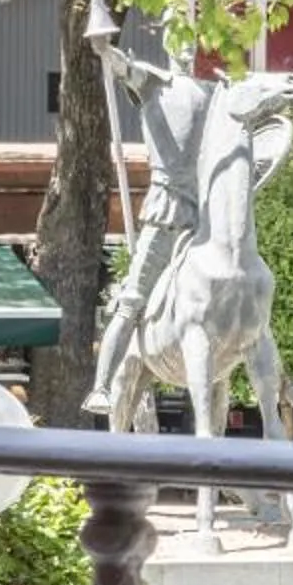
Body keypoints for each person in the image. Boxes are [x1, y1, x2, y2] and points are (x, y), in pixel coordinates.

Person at [81, 24, 221, 416]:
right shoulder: (155, 83)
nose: (186, 46)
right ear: (167, 44)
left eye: (191, 38)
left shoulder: (213, 92)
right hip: (165, 212)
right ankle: (101, 387)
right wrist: (105, 49)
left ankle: (277, 379)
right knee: (132, 300)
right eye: (178, 38)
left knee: (237, 286)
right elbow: (124, 68)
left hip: (204, 216)